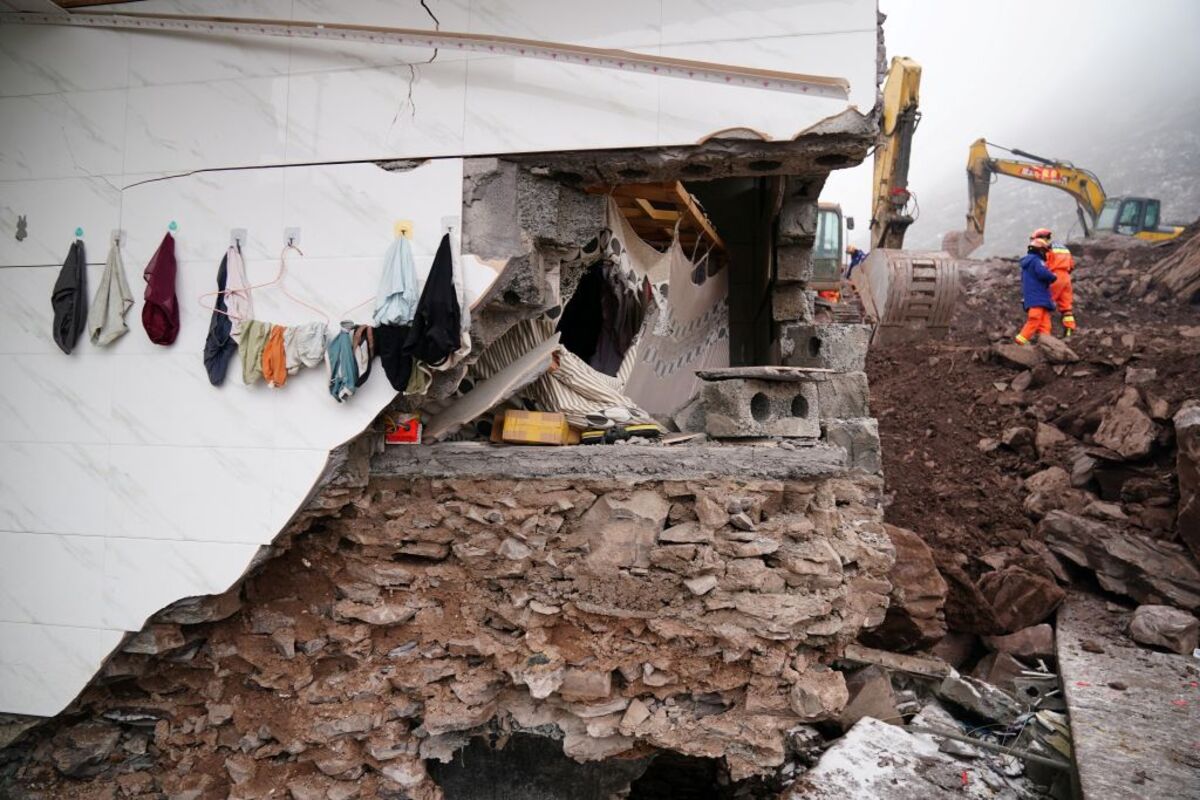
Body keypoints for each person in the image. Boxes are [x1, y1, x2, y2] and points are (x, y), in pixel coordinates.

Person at [1032, 227, 1076, 336]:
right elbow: (1071, 265)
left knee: (1044, 304)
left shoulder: (1046, 249)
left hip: (1054, 277)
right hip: (1066, 279)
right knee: (1066, 307)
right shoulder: (1063, 248)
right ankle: (1069, 329)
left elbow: (1043, 266)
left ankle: (1044, 333)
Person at [1015, 235, 1057, 345]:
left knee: (1045, 323)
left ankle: (1046, 344)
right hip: (1037, 298)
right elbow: (1043, 273)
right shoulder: (1036, 260)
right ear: (1041, 250)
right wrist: (1053, 276)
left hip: (1037, 297)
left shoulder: (1028, 264)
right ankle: (1019, 342)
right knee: (1035, 320)